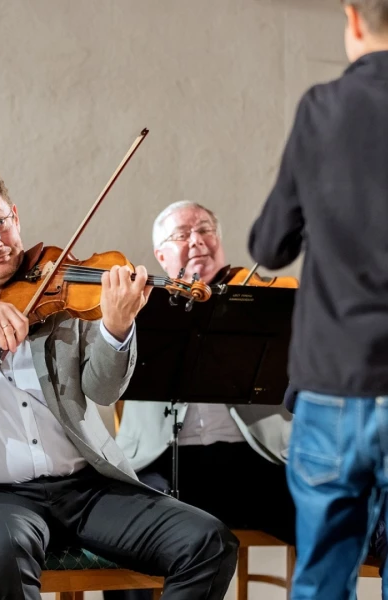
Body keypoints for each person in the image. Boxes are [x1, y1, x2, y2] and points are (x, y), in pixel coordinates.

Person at [0, 163, 238, 600]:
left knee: (209, 542)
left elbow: (102, 390)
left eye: (0, 223)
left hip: (86, 486)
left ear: (15, 215)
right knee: (6, 551)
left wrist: (116, 328)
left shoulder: (60, 282)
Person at [248, 1, 388, 597]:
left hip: (334, 383)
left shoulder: (323, 109)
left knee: (323, 581)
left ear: (353, 18)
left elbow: (270, 245)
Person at [106, 200, 295, 600]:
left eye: (206, 229)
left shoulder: (262, 301)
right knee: (128, 524)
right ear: (160, 256)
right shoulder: (138, 305)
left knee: (332, 510)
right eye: (181, 234)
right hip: (161, 460)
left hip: (252, 458)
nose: (196, 241)